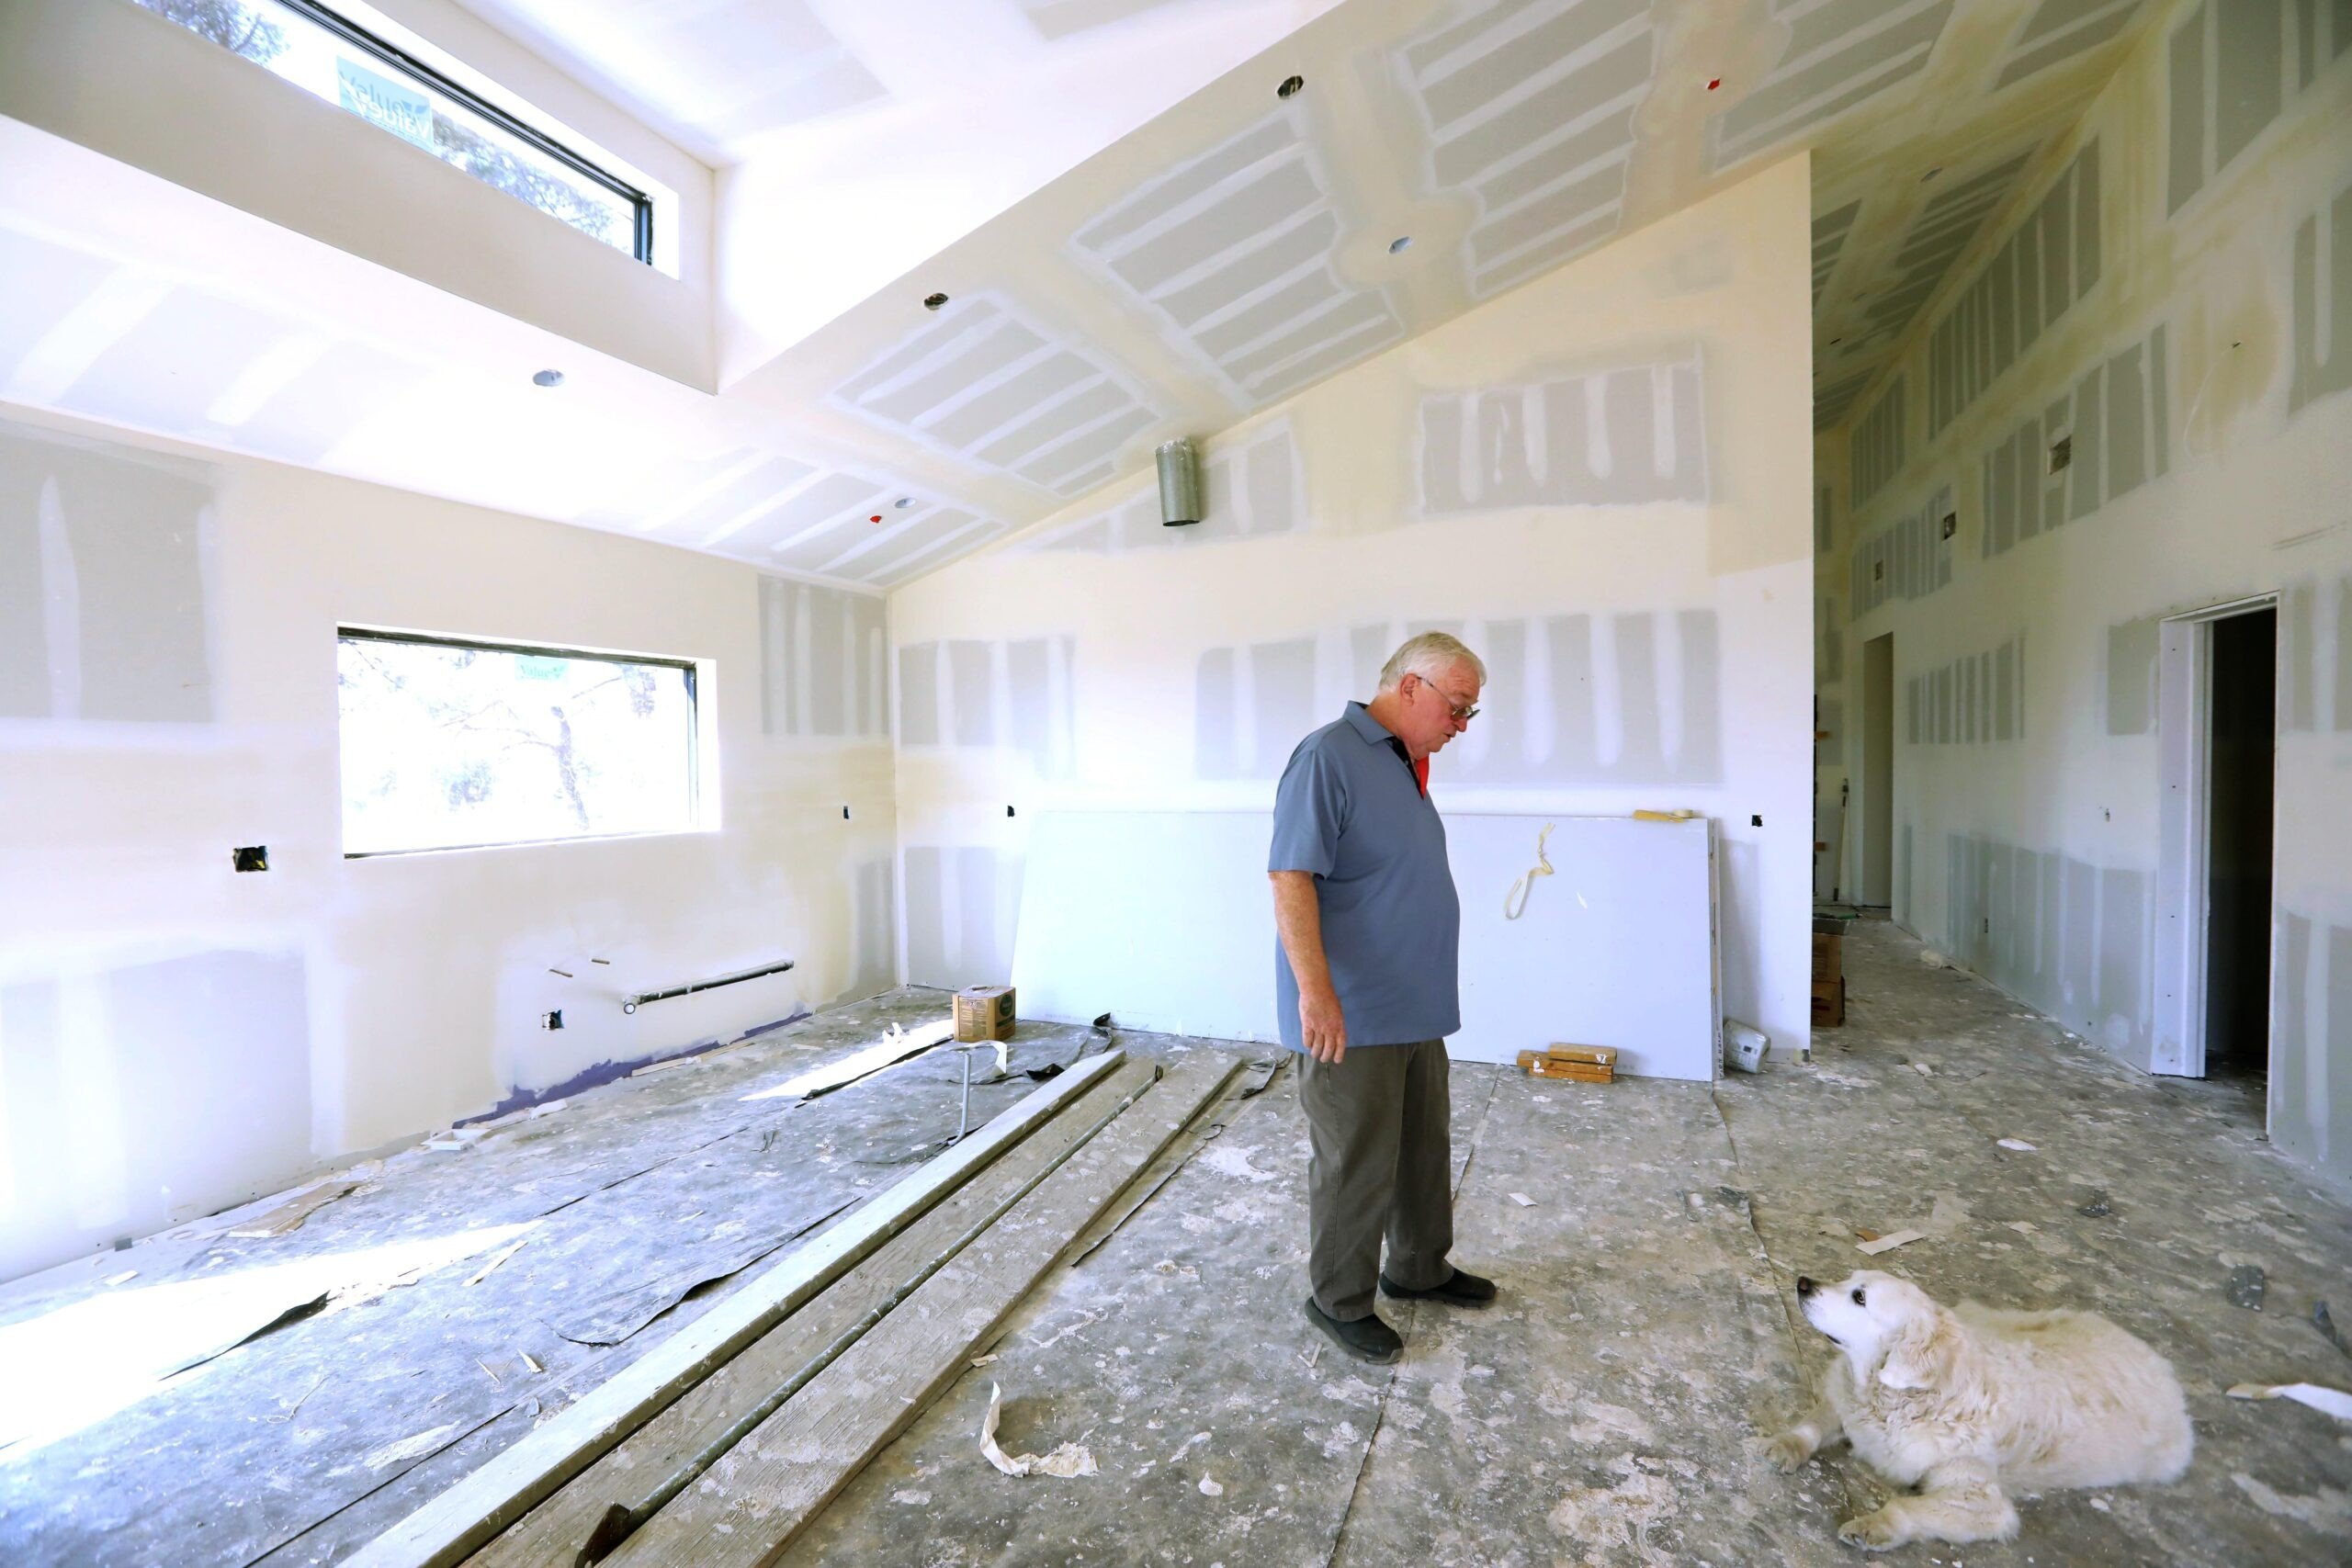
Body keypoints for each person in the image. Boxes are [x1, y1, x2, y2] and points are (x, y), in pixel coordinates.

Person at [1267, 631, 1497, 1364]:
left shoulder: (1404, 761)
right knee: (1357, 1157)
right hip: (1353, 1010)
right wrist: (1317, 993)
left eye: (1469, 712)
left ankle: (1419, 1267)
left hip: (1413, 1002)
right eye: (1457, 707)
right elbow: (1290, 877)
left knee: (1422, 1146)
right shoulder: (1328, 755)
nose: (1461, 724)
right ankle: (1336, 1299)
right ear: (1410, 689)